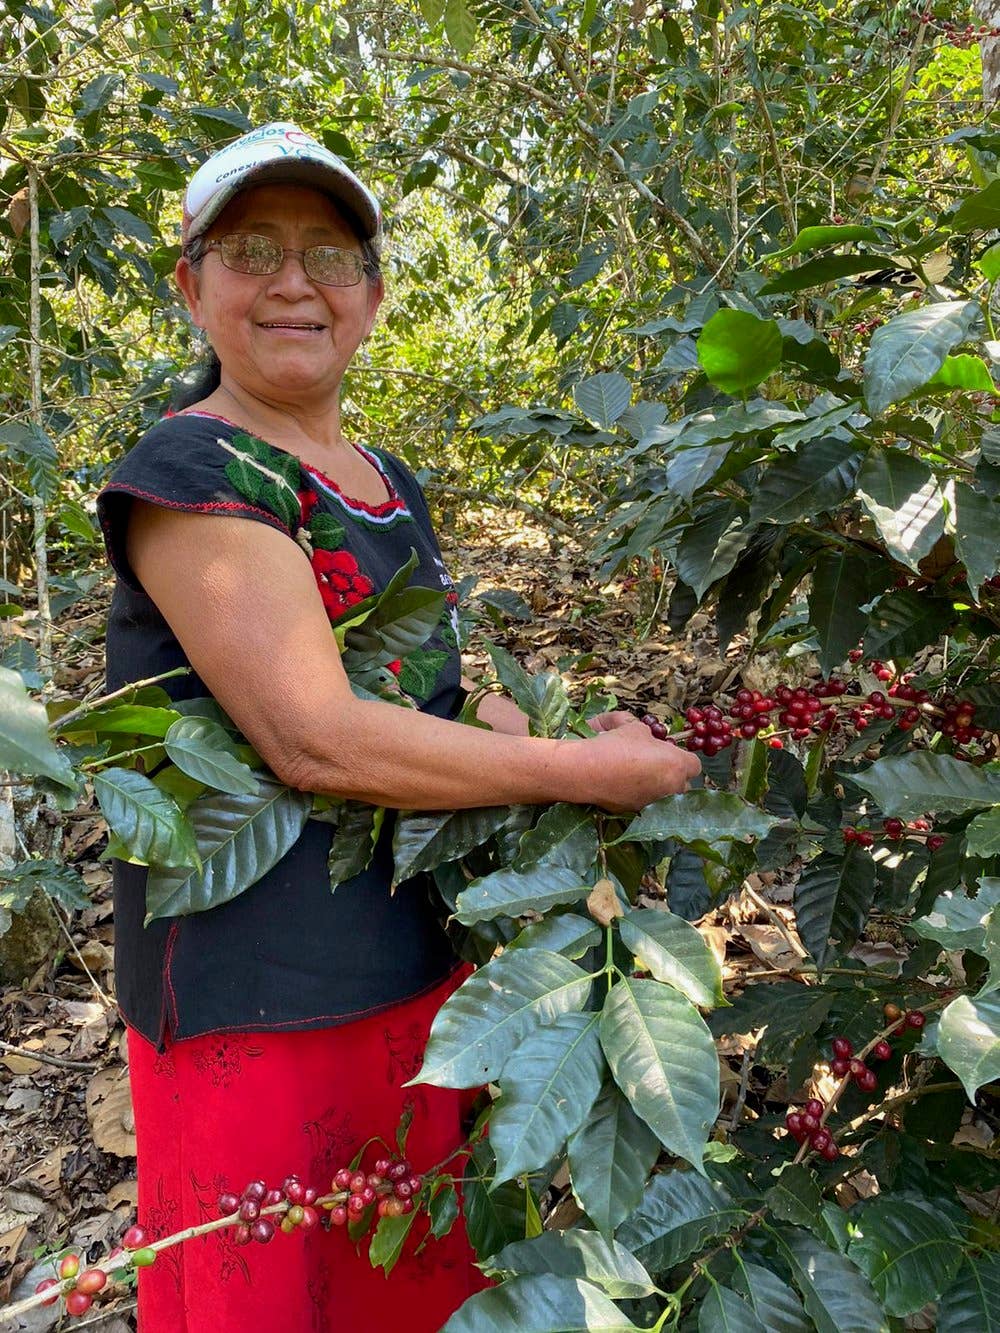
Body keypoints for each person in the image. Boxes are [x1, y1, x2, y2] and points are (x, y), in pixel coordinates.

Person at [96, 122, 700, 1333]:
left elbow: (418, 696)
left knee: (408, 1274)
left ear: (370, 295)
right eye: (250, 248)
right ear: (192, 285)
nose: (291, 282)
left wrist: (551, 724)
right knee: (263, 1289)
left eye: (328, 254)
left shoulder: (381, 473)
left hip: (413, 967)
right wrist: (583, 774)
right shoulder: (194, 467)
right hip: (256, 992)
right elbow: (317, 736)